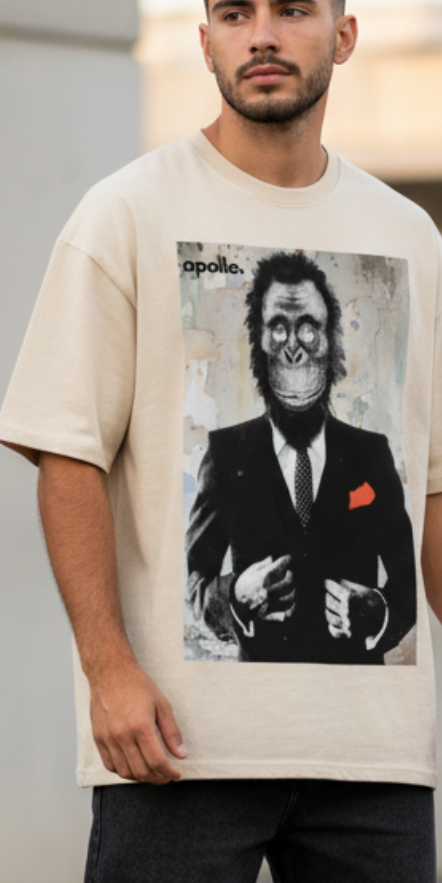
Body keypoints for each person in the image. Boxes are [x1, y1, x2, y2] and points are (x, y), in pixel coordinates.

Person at [0, 0, 442, 883]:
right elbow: (64, 453)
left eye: (291, 8)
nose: (261, 34)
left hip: (373, 755)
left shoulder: (406, 237)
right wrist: (108, 669)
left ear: (342, 33)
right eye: (233, 13)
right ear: (204, 42)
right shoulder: (126, 214)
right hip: (175, 746)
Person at [185, 248, 417, 664]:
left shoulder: (371, 454)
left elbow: (411, 578)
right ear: (259, 342)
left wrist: (378, 613)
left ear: (331, 342)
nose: (293, 349)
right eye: (278, 329)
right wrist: (235, 595)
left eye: (308, 329)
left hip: (354, 700)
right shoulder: (224, 454)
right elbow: (192, 584)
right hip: (257, 703)